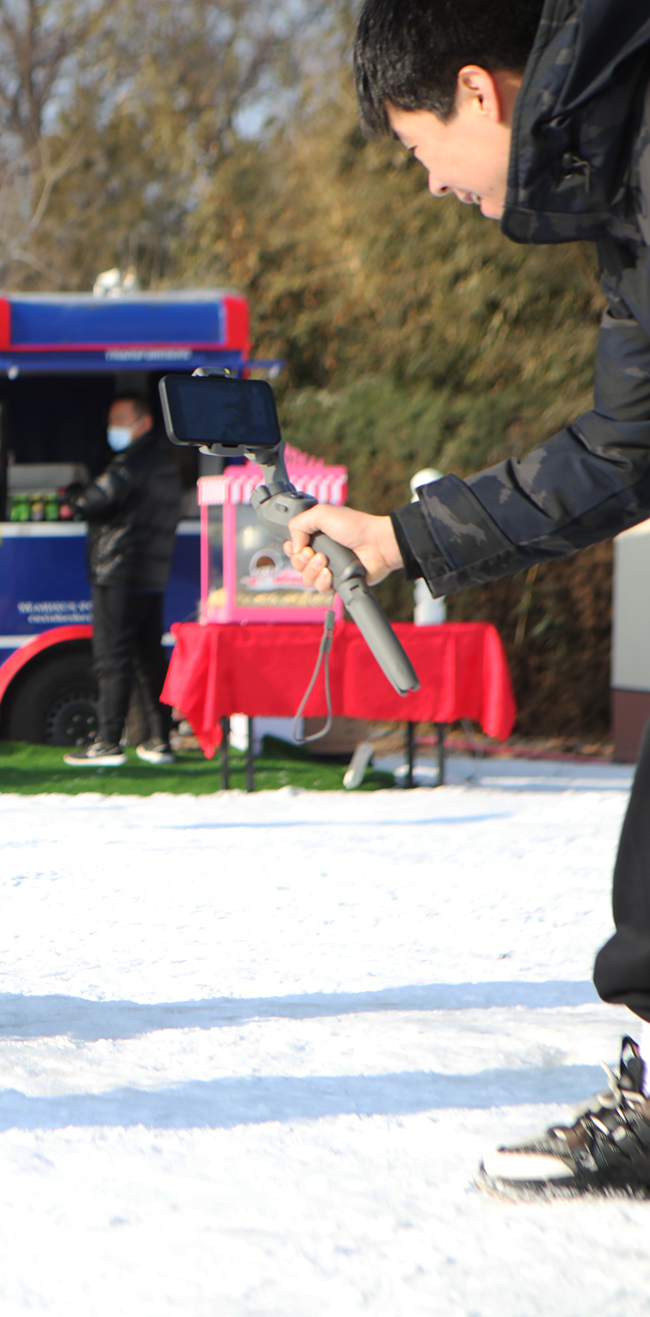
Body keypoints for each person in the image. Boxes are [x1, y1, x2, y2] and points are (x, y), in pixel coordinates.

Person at [288, 0, 650, 1199]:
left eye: (414, 147)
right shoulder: (623, 176)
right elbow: (626, 447)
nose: (429, 184)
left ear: (478, 93)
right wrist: (399, 536)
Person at [63, 395, 182, 766]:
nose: (111, 428)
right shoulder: (166, 462)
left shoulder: (129, 464)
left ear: (143, 423)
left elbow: (90, 501)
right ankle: (161, 739)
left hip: (117, 574)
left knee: (112, 659)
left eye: (119, 420)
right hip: (152, 574)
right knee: (149, 659)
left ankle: (108, 741)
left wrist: (71, 493)